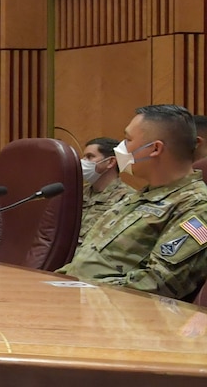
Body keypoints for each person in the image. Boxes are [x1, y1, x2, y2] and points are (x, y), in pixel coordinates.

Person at [60, 104, 207, 300]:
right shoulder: (139, 196)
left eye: (128, 139)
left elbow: (157, 283)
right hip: (80, 302)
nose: (121, 147)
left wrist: (75, 290)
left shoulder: (197, 207)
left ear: (155, 149)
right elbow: (87, 262)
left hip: (119, 316)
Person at [80, 137, 131, 224]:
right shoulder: (79, 192)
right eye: (84, 157)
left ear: (110, 162)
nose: (83, 161)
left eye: (89, 156)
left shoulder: (127, 198)